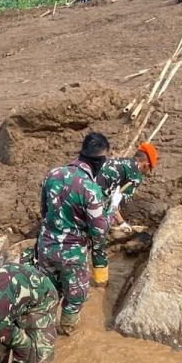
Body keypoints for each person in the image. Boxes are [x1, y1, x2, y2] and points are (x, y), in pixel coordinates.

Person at [35, 132, 112, 335]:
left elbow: (43, 212)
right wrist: (109, 214)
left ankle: (43, 334)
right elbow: (99, 231)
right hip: (72, 254)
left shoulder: (52, 174)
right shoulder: (90, 189)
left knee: (47, 296)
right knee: (75, 298)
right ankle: (67, 331)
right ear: (99, 161)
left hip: (46, 248)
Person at [95, 142, 158, 228]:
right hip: (90, 206)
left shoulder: (116, 161)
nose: (147, 172)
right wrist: (122, 223)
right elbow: (113, 206)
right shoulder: (135, 176)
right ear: (146, 165)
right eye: (149, 169)